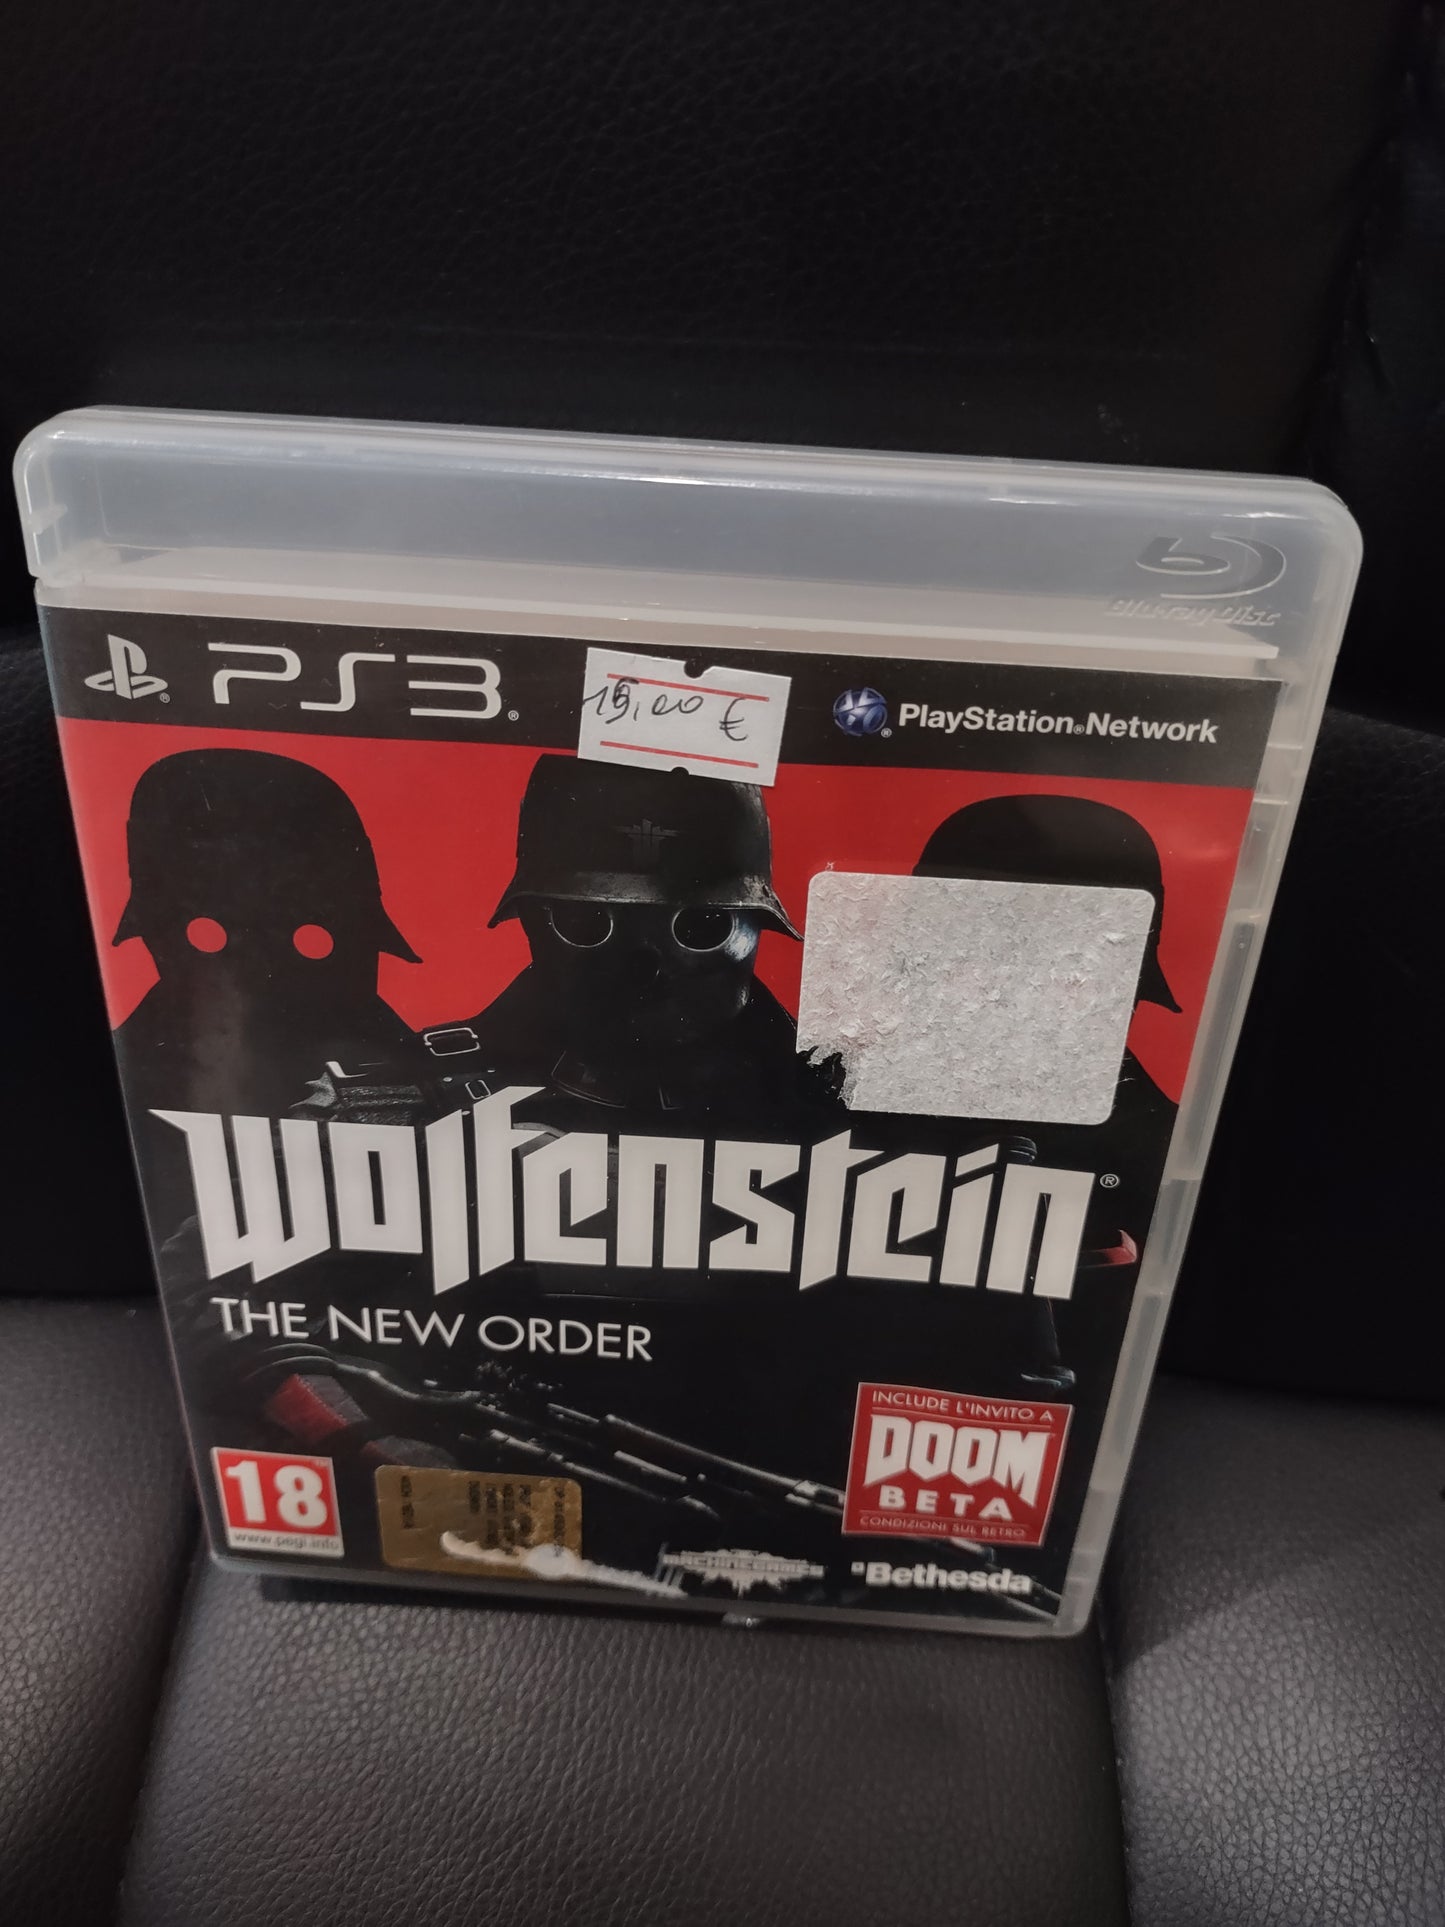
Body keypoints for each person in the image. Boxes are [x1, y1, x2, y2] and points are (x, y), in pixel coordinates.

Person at [114, 747, 418, 1116]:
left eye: (312, 938)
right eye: (214, 935)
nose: (262, 973)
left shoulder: (422, 1072)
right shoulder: (132, 1069)